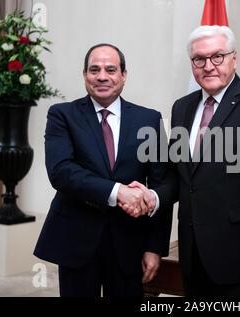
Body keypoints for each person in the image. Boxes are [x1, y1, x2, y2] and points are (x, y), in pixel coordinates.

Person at [127, 25, 240, 296]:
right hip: (192, 255)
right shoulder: (182, 107)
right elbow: (181, 177)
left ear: (234, 59)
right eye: (199, 59)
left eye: (218, 56)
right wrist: (153, 197)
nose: (208, 66)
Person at [33, 43, 172, 297]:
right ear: (85, 75)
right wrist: (118, 192)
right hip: (76, 241)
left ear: (123, 75)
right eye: (94, 69)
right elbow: (61, 172)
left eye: (111, 69)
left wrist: (155, 248)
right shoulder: (62, 115)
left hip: (130, 244)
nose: (102, 76)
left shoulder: (149, 119)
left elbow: (163, 183)